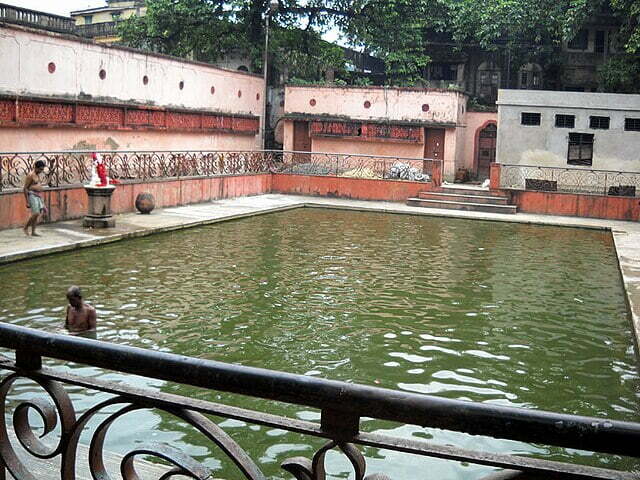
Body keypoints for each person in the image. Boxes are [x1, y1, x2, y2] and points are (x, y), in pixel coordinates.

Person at [23, 160, 46, 237]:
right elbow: (25, 188)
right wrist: (27, 201)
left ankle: (33, 231)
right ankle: (26, 227)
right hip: (32, 195)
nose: (41, 171)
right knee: (35, 213)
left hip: (37, 195)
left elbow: (38, 184)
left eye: (42, 169)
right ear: (36, 167)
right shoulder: (30, 175)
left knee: (37, 214)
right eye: (40, 169)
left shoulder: (37, 174)